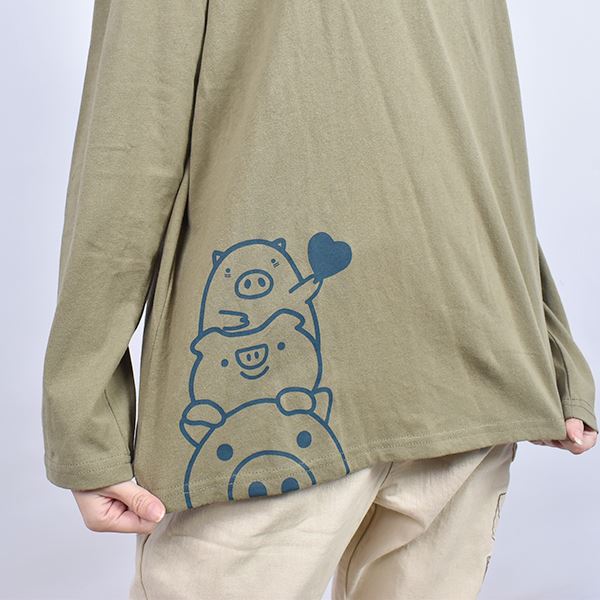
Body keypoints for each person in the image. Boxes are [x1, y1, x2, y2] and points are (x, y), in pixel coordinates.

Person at [42, 1, 597, 598]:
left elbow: (131, 139)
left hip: (274, 402)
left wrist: (84, 421)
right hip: (465, 342)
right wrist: (546, 344)